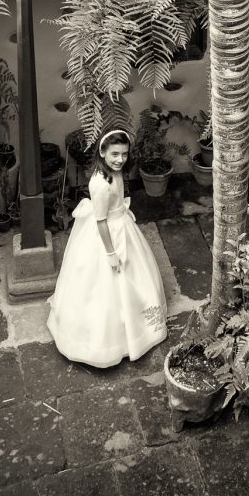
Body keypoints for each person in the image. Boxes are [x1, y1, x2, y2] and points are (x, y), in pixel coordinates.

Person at [47, 128, 168, 367]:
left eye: (123, 154)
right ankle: (107, 340)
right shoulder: (100, 183)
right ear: (102, 152)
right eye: (114, 154)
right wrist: (111, 253)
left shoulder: (116, 172)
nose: (119, 159)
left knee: (135, 275)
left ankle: (137, 325)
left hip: (121, 225)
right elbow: (101, 221)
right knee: (104, 285)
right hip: (108, 234)